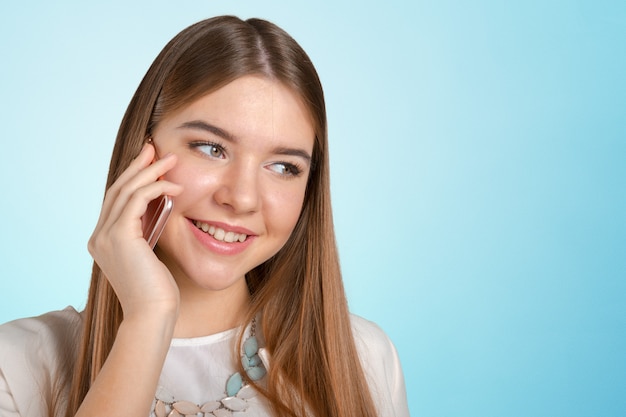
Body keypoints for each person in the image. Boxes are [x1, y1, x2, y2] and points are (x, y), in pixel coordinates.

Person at [0, 15, 409, 417]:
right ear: (144, 152)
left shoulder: (364, 359)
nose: (243, 198)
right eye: (212, 148)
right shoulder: (17, 367)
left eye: (284, 166)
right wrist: (147, 318)